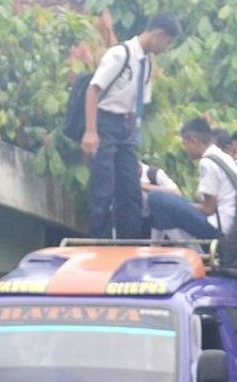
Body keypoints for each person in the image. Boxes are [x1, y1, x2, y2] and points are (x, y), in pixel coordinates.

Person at [81, 13, 181, 239]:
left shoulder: (147, 63)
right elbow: (93, 90)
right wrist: (90, 131)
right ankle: (98, 241)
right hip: (105, 122)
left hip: (127, 128)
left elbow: (139, 104)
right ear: (158, 34)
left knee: (130, 190)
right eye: (168, 41)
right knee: (102, 189)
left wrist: (132, 134)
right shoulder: (121, 54)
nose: (166, 47)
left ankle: (128, 243)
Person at [146, 117, 237, 241]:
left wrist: (185, 206)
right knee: (172, 202)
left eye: (186, 145)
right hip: (233, 225)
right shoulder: (222, 156)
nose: (186, 150)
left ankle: (190, 248)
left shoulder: (207, 162)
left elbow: (208, 209)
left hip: (218, 227)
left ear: (193, 140)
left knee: (156, 198)